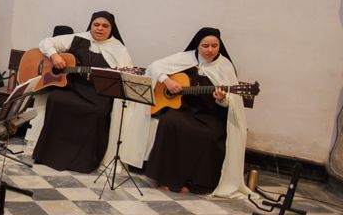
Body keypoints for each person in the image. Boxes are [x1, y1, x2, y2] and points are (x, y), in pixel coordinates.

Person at [126, 28, 250, 197]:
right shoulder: (186, 59)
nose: (210, 50)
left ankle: (194, 183)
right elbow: (154, 67)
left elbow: (231, 101)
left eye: (215, 46)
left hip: (211, 115)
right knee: (169, 122)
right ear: (197, 45)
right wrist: (167, 81)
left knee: (207, 135)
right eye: (205, 45)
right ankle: (166, 177)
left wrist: (221, 99)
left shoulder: (225, 66)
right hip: (186, 109)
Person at [31, 11, 132, 173]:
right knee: (56, 99)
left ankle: (82, 162)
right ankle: (50, 154)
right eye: (96, 25)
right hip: (74, 88)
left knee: (97, 111)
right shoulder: (79, 39)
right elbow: (45, 42)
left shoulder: (119, 49)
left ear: (111, 29)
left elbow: (125, 77)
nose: (100, 29)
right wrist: (55, 56)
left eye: (105, 26)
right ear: (90, 25)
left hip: (99, 93)